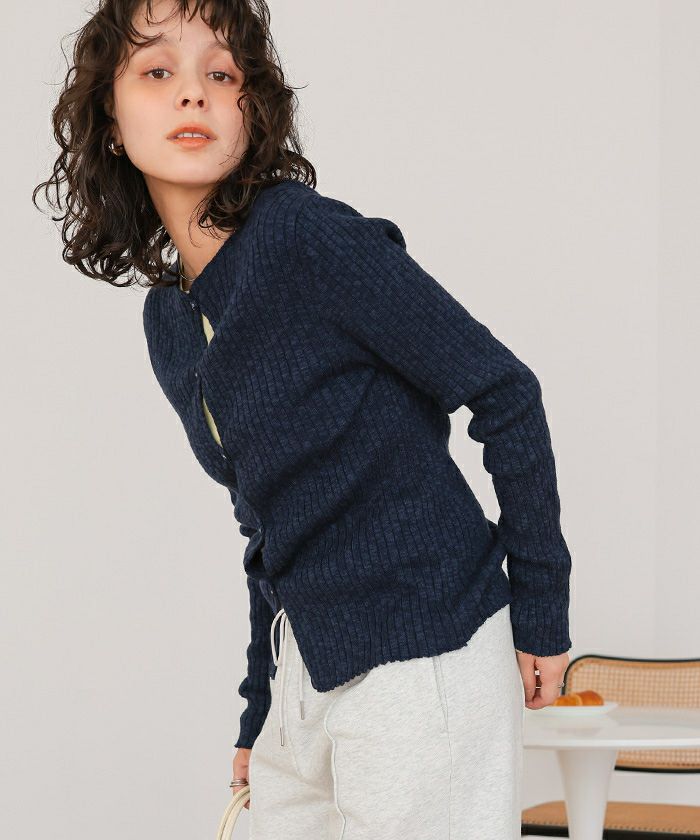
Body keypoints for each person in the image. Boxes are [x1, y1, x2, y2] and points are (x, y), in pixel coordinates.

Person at [33, 1, 572, 837]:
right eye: (157, 71)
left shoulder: (305, 238)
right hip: (306, 680)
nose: (193, 94)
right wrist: (261, 709)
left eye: (221, 74)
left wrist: (541, 608)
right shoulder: (170, 322)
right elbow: (266, 522)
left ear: (252, 112)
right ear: (109, 121)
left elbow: (505, 391)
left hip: (424, 651)